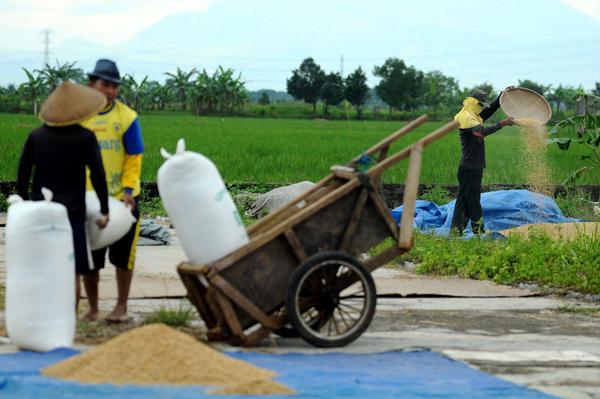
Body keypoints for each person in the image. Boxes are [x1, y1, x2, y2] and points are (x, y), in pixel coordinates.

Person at [17, 81, 110, 310]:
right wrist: (105, 209)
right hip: (72, 214)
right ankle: (68, 323)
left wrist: (22, 203)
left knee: (43, 266)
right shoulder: (86, 137)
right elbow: (98, 174)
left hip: (41, 211)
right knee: (72, 272)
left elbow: (22, 171)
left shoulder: (36, 136)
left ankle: (43, 314)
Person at [79, 59, 144, 323]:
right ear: (91, 85)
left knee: (123, 256)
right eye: (105, 85)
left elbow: (134, 156)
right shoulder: (80, 117)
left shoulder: (127, 118)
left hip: (122, 198)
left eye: (114, 86)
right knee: (91, 257)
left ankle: (121, 307)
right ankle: (93, 309)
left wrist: (129, 189)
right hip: (89, 198)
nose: (110, 91)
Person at [450, 87, 516, 235]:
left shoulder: (473, 114)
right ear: (475, 103)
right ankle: (478, 231)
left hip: (470, 167)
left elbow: (490, 109)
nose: (482, 108)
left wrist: (502, 95)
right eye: (481, 104)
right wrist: (503, 123)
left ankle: (455, 231)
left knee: (463, 200)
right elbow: (481, 132)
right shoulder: (466, 117)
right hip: (470, 169)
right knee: (473, 201)